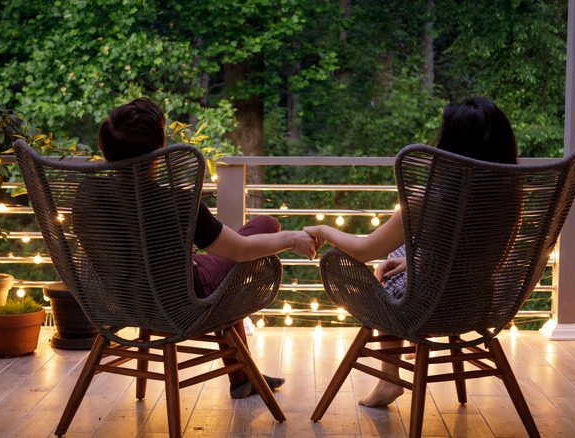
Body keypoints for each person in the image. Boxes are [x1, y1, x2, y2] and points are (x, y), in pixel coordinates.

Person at [304, 97, 518, 407]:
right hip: (480, 302)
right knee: (399, 257)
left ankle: (389, 379)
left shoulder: (429, 197)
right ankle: (389, 374)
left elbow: (364, 250)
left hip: (426, 307)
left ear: (451, 144)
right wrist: (414, 261)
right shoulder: (511, 195)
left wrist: (323, 230)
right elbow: (474, 255)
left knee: (385, 287)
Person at [98, 97, 317, 399]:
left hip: (121, 299)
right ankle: (242, 375)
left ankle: (242, 376)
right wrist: (292, 239)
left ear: (105, 148)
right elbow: (240, 251)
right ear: (159, 154)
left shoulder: (88, 196)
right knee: (265, 225)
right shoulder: (176, 202)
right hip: (183, 301)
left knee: (222, 276)